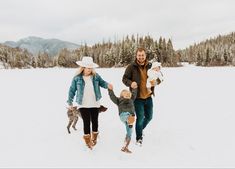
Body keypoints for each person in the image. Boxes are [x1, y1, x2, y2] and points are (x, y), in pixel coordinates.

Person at [67, 56, 112, 150]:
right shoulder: (77, 78)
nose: (89, 70)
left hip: (95, 103)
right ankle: (87, 140)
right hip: (83, 104)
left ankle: (94, 138)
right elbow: (72, 90)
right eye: (88, 68)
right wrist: (70, 101)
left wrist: (107, 85)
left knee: (95, 121)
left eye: (91, 68)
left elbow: (102, 82)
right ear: (83, 67)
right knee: (86, 122)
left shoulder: (96, 76)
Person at [122, 47, 161, 146]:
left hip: (148, 96)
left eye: (142, 55)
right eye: (139, 55)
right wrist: (131, 83)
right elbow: (124, 79)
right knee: (139, 118)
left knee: (149, 117)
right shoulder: (131, 67)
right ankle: (139, 138)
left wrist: (156, 82)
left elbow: (160, 76)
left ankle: (140, 129)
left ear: (145, 55)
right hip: (137, 98)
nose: (141, 57)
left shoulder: (151, 65)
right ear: (136, 55)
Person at [108, 87, 137, 153]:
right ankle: (130, 121)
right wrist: (110, 90)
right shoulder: (119, 100)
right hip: (123, 115)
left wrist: (134, 88)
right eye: (125, 93)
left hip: (130, 118)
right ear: (121, 95)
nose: (127, 94)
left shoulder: (131, 99)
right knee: (130, 117)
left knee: (130, 131)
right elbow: (112, 97)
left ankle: (125, 146)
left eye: (128, 94)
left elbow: (134, 94)